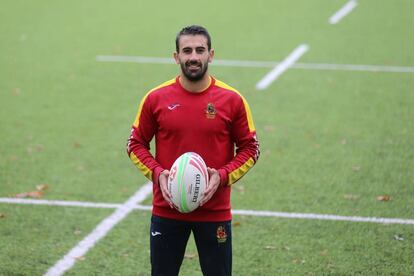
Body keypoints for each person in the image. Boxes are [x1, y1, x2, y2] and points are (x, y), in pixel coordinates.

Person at [127, 25, 260, 276]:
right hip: (167, 210)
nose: (194, 57)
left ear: (211, 54)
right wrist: (158, 173)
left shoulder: (232, 100)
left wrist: (221, 176)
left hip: (215, 212)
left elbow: (251, 148)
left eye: (200, 50)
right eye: (187, 51)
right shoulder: (156, 98)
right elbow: (135, 144)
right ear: (176, 57)